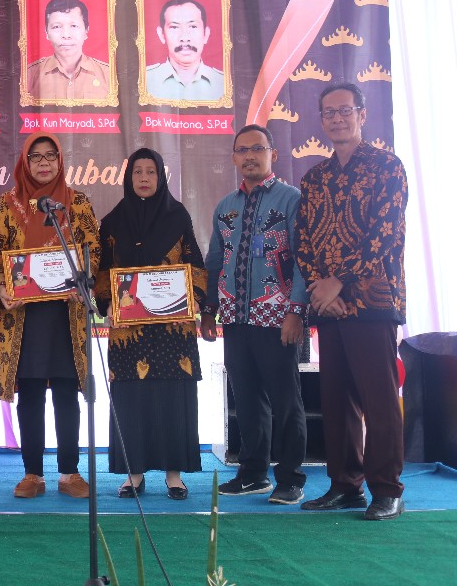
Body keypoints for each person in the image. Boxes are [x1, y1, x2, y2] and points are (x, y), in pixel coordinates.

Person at [296, 84, 408, 521]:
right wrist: (320, 289)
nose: (337, 118)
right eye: (329, 112)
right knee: (336, 398)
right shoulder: (314, 178)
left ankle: (387, 489)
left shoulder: (387, 167)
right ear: (321, 120)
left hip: (373, 300)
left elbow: (384, 235)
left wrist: (339, 282)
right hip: (328, 306)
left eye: (345, 110)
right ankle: (345, 485)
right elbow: (303, 241)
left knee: (379, 399)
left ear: (362, 114)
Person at [0, 132, 100, 499]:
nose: (44, 162)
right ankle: (32, 474)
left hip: (66, 313)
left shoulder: (76, 202)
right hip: (24, 317)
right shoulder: (7, 204)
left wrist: (84, 278)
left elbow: (93, 248)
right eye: (35, 157)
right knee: (31, 393)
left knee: (67, 392)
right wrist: (3, 285)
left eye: (50, 155)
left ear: (60, 160)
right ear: (25, 162)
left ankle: (69, 473)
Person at [95, 148, 211, 500]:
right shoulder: (113, 222)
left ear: (160, 177)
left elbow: (195, 263)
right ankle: (134, 474)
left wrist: (194, 297)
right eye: (137, 172)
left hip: (172, 328)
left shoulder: (178, 216)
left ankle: (174, 475)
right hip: (129, 330)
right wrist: (107, 304)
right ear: (128, 178)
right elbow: (103, 271)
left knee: (172, 395)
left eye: (151, 172)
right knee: (132, 399)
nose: (144, 178)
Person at [203, 125, 308, 505]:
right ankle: (253, 474)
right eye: (242, 150)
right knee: (246, 399)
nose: (250, 156)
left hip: (278, 318)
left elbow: (304, 260)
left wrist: (296, 311)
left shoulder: (291, 199)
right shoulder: (225, 206)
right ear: (234, 157)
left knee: (286, 400)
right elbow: (215, 260)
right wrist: (209, 310)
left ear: (272, 155)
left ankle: (290, 479)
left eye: (257, 149)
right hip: (235, 318)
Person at [25, 0, 112, 101]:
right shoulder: (29, 75)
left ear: (86, 31)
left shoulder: (108, 75)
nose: (66, 35)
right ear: (46, 33)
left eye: (74, 26)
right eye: (57, 27)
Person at [144, 0, 225, 102]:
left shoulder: (224, 84)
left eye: (193, 26)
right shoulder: (144, 81)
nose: (185, 38)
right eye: (174, 27)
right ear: (162, 35)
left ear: (206, 34)